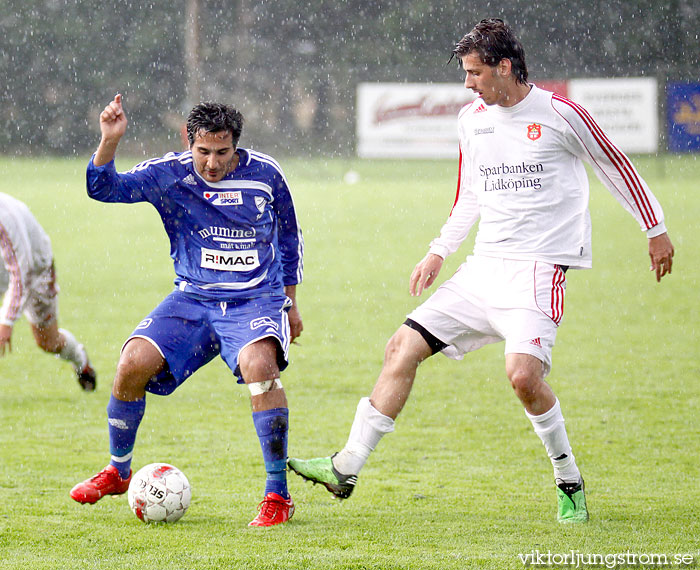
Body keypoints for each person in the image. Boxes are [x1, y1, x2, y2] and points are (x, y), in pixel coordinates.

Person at [288, 18, 675, 524]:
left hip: (536, 272)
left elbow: (614, 165)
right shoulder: (473, 120)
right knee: (401, 347)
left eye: (474, 72)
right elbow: (470, 192)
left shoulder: (560, 114)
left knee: (524, 379)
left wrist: (655, 228)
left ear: (505, 67)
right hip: (481, 270)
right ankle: (347, 466)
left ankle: (568, 480)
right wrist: (437, 251)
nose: (467, 84)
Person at [69, 94, 304, 527]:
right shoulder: (170, 175)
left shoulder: (266, 175)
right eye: (203, 151)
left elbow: (289, 237)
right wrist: (109, 140)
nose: (212, 163)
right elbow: (102, 188)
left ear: (236, 146)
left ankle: (277, 495)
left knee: (259, 367)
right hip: (192, 298)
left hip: (255, 301)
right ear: (188, 141)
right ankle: (119, 471)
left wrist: (291, 303)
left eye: (222, 152)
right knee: (131, 362)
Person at [0, 192, 96, 390]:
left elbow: (22, 274)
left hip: (35, 270)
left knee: (47, 342)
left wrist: (6, 322)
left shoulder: (5, 218)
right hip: (9, 269)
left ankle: (80, 359)